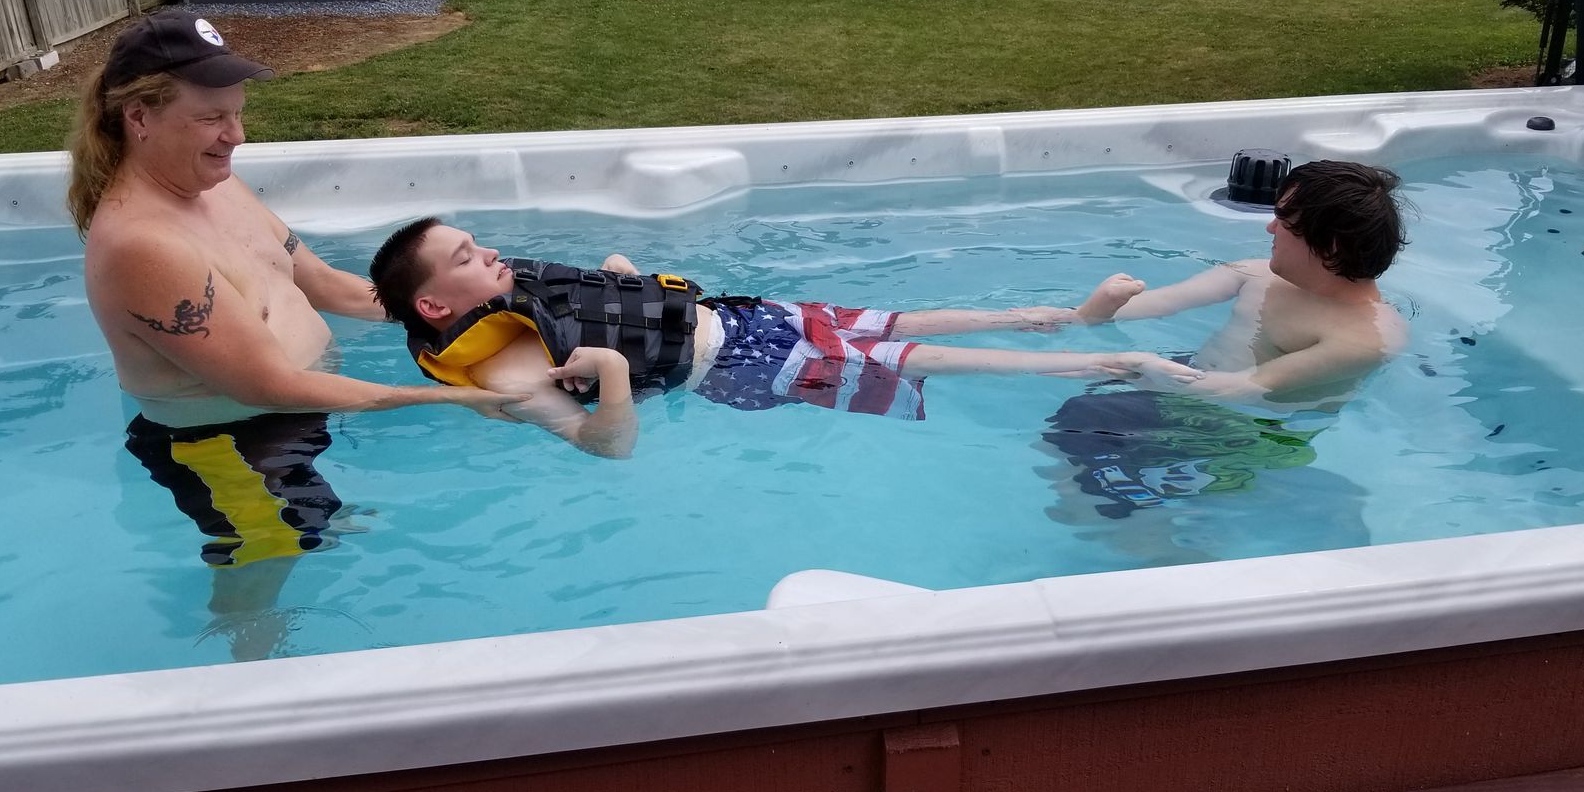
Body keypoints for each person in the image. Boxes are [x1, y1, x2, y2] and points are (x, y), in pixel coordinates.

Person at [70, 12, 523, 657]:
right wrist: (456, 398)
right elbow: (273, 383)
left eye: (236, 112)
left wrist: (461, 305)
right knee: (265, 571)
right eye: (211, 119)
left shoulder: (214, 186)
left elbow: (324, 284)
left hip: (292, 416)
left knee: (312, 530)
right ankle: (243, 691)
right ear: (139, 116)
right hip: (229, 447)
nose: (236, 135)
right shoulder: (144, 245)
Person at [367, 218, 1205, 459]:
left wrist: (628, 279)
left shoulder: (517, 294)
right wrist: (616, 374)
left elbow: (609, 294)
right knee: (923, 361)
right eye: (468, 258)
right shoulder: (509, 372)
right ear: (437, 307)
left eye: (479, 242)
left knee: (899, 324)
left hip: (747, 313)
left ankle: (1065, 317)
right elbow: (607, 446)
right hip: (747, 367)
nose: (493, 255)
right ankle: (1120, 358)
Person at [1043, 160, 1410, 523]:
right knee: (1075, 428)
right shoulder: (1258, 274)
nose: (1269, 227)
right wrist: (1102, 307)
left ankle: (1158, 545)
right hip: (1190, 386)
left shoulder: (1366, 338)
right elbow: (1158, 304)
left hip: (1252, 431)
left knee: (1087, 482)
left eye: (1284, 221)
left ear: (1328, 246)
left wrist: (1134, 369)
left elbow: (1245, 389)